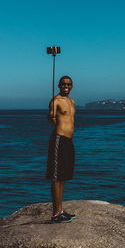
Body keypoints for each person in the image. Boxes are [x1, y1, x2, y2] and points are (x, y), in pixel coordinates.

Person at [46, 75, 76, 223]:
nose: (66, 86)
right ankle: (55, 214)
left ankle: (60, 210)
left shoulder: (72, 101)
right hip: (58, 139)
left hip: (69, 141)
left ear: (72, 86)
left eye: (69, 84)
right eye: (63, 84)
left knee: (63, 177)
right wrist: (51, 118)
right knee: (56, 177)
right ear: (59, 85)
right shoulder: (55, 100)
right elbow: (50, 115)